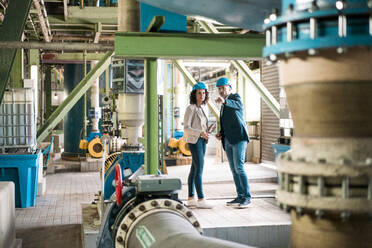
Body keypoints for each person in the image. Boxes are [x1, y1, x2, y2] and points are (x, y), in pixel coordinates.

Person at [215, 77, 251, 208]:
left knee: (239, 167)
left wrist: (225, 101)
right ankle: (240, 195)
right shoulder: (223, 106)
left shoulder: (235, 98)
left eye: (223, 88)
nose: (221, 90)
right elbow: (227, 122)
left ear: (229, 88)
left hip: (239, 138)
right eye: (219, 89)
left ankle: (247, 197)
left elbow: (237, 106)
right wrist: (221, 133)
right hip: (228, 139)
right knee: (233, 169)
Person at [183, 82, 213, 209]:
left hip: (202, 140)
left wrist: (207, 130)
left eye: (204, 92)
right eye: (199, 93)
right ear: (194, 95)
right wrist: (200, 132)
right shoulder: (191, 108)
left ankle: (190, 198)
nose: (202, 95)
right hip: (194, 141)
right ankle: (201, 199)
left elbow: (201, 125)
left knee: (194, 169)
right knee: (199, 168)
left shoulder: (204, 108)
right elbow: (186, 128)